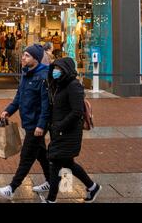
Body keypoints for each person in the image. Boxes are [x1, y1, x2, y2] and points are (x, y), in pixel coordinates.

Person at [40, 57, 102, 203]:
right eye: (55, 68)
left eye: (59, 69)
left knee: (55, 162)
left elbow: (77, 112)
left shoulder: (74, 86)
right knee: (68, 163)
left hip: (68, 132)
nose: (56, 71)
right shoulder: (59, 85)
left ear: (66, 70)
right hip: (59, 131)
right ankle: (92, 187)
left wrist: (59, 126)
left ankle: (51, 199)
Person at [0, 44, 51, 200]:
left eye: (27, 55)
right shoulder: (25, 75)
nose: (23, 58)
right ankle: (51, 181)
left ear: (35, 59)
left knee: (26, 157)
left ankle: (11, 188)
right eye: (24, 55)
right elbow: (18, 98)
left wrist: (41, 125)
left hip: (36, 125)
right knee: (41, 155)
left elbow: (46, 105)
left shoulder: (43, 76)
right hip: (28, 122)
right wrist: (8, 111)